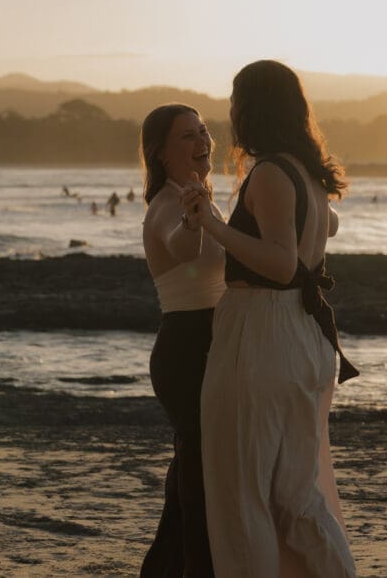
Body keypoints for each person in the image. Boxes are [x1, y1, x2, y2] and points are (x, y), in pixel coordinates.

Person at [182, 59, 358, 576]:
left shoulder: (271, 173)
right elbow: (330, 228)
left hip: (260, 335)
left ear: (253, 107)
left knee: (241, 501)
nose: (231, 111)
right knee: (295, 500)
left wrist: (214, 224)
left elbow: (283, 264)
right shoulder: (310, 173)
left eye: (236, 99)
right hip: (303, 338)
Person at [140, 104, 224, 577]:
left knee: (190, 479)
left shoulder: (200, 195)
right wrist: (194, 220)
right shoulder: (169, 205)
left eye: (204, 131)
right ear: (161, 152)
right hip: (185, 350)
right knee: (198, 480)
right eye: (188, 136)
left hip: (210, 343)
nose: (202, 142)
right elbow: (183, 250)